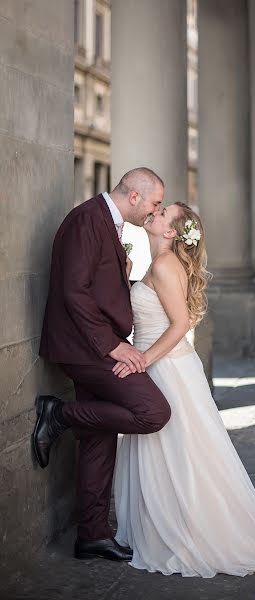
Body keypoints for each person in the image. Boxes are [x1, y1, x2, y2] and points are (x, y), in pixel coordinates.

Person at [113, 202, 255, 577]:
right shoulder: (161, 264)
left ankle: (183, 532)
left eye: (164, 213)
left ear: (171, 233)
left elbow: (179, 324)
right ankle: (171, 525)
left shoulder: (165, 265)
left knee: (179, 454)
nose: (157, 212)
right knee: (180, 453)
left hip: (166, 369)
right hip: (173, 366)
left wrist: (144, 360)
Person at [32, 168, 171, 561]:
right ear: (134, 196)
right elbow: (73, 292)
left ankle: (92, 534)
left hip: (95, 345)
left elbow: (94, 287)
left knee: (99, 440)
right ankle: (57, 413)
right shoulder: (86, 220)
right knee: (153, 411)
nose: (154, 210)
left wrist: (123, 281)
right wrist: (112, 347)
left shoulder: (106, 221)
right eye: (155, 203)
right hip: (85, 349)